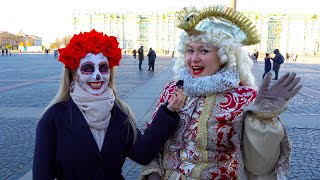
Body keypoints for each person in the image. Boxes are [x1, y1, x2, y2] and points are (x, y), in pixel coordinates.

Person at [141, 5, 302, 180]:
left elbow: (259, 166)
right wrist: (153, 171)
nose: (194, 59)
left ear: (224, 55)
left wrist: (263, 119)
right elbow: (153, 138)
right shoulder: (174, 87)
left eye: (204, 50)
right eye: (190, 50)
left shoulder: (244, 97)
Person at [32, 29, 185, 179]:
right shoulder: (53, 118)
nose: (97, 75)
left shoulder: (119, 113)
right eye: (88, 68)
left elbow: (143, 153)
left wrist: (168, 112)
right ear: (74, 74)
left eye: (103, 68)